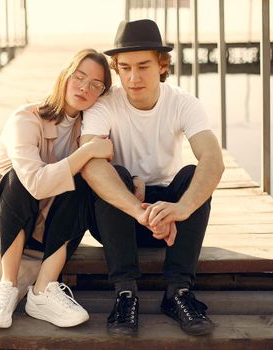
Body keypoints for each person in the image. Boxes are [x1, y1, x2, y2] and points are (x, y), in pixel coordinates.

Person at [80, 19, 225, 336]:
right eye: (125, 67)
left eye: (143, 66)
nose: (133, 78)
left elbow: (213, 160)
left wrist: (181, 209)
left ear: (162, 64)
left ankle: (178, 293)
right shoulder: (105, 105)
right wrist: (138, 210)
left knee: (191, 175)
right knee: (109, 171)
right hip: (120, 219)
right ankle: (125, 293)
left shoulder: (183, 102)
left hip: (169, 222)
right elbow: (89, 164)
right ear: (116, 67)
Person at [0, 48, 113, 329]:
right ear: (65, 76)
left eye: (96, 84)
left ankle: (43, 291)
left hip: (44, 229)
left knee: (85, 180)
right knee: (21, 178)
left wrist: (133, 180)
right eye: (79, 77)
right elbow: (34, 184)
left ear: (102, 94)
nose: (84, 87)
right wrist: (87, 152)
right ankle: (6, 287)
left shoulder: (91, 128)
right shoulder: (26, 118)